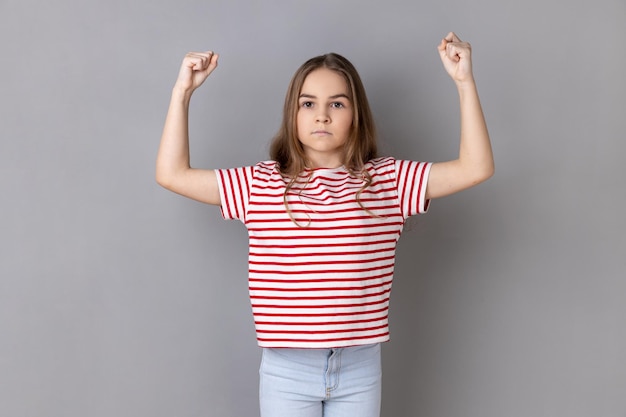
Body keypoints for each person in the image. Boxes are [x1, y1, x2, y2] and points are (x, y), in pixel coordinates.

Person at [156, 32, 494, 417]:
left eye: (337, 103)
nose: (322, 115)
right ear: (293, 113)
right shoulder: (260, 184)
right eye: (308, 103)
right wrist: (182, 92)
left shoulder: (388, 181)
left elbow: (476, 167)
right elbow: (172, 173)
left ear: (356, 115)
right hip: (286, 369)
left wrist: (464, 82)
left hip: (359, 368)